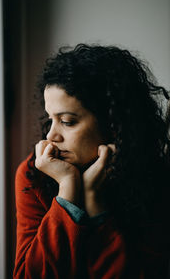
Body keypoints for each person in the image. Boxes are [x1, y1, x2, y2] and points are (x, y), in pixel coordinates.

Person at [13, 44, 170, 279]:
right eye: (51, 119)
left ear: (112, 122)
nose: (51, 137)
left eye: (67, 121)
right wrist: (68, 189)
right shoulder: (33, 173)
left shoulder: (154, 177)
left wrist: (94, 199)